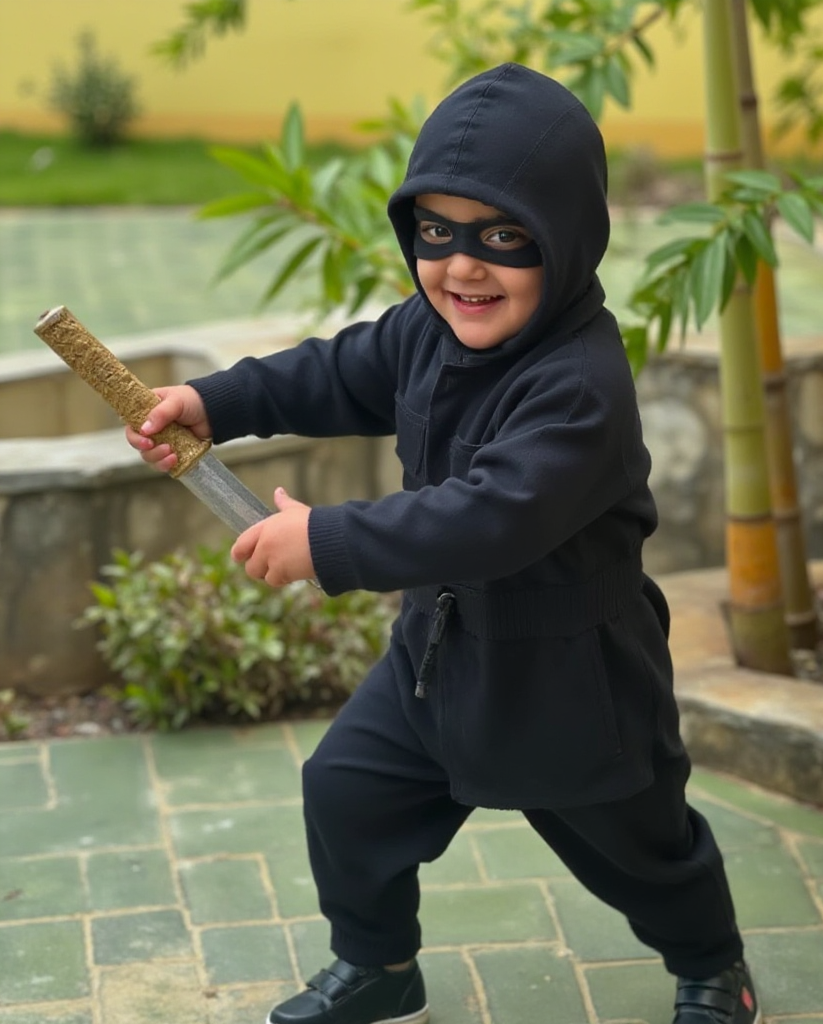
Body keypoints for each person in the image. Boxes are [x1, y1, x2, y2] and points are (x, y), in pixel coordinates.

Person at [128, 63, 760, 1024]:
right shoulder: (430, 327)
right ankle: (379, 965)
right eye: (437, 234)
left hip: (572, 676)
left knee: (642, 845)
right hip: (437, 652)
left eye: (503, 238)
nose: (461, 267)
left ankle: (713, 965)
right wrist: (216, 401)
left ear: (569, 237)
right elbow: (337, 372)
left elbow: (487, 516)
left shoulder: (580, 385)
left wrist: (326, 539)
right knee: (347, 793)